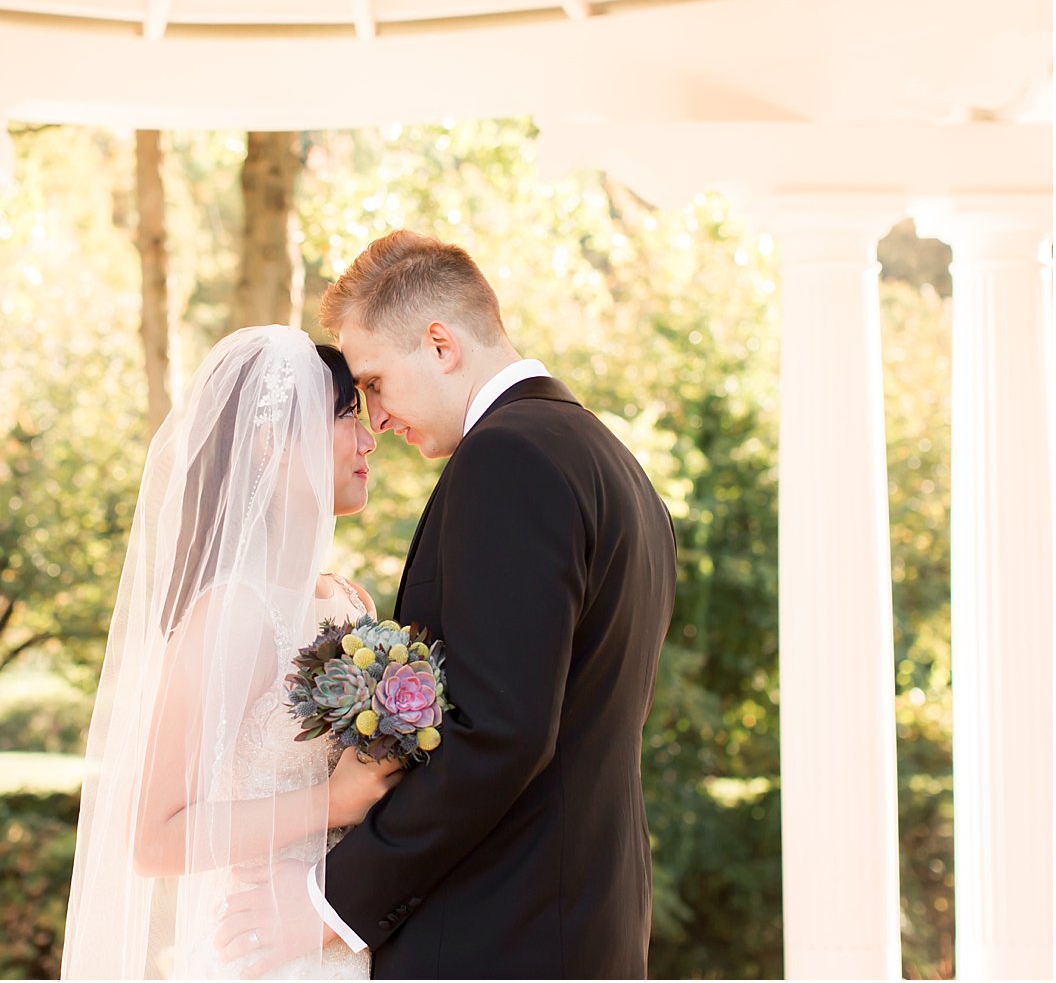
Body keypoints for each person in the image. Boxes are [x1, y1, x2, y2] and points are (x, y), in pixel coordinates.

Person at [217, 232, 678, 978]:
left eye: (373, 382)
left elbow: (499, 732)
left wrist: (324, 899)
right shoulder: (608, 460)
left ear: (439, 344)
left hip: (497, 935)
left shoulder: (509, 459)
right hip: (579, 923)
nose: (376, 419)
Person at [62, 325, 396, 979]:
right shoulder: (235, 613)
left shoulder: (349, 603)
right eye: (346, 417)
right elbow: (153, 839)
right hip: (259, 951)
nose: (370, 438)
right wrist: (331, 804)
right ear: (273, 441)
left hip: (340, 938)